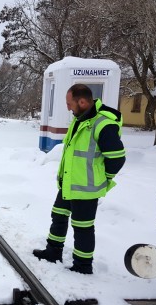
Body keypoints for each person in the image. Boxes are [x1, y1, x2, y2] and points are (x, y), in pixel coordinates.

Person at [33, 84, 126, 274]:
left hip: (86, 188)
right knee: (58, 216)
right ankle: (53, 252)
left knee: (82, 227)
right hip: (69, 183)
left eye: (70, 103)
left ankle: (83, 266)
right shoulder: (81, 119)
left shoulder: (103, 124)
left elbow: (117, 158)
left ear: (82, 102)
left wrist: (103, 179)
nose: (68, 108)